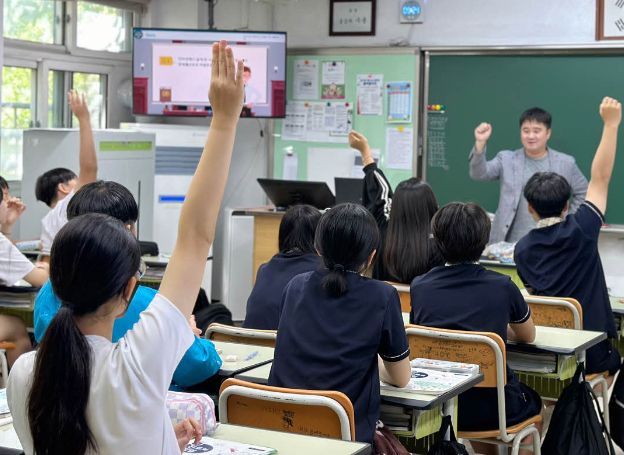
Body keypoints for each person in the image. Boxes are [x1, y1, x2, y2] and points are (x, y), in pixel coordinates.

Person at [7, 40, 244, 454]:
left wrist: (162, 436)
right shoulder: (135, 366)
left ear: (56, 280)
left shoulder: (26, 371)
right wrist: (224, 119)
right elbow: (195, 237)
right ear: (127, 292)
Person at [33, 180, 222, 390]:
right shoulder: (143, 304)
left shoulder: (46, 294)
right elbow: (198, 367)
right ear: (128, 230)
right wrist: (187, 334)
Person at [268, 203, 411, 444]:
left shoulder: (295, 286)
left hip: (282, 428)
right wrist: (373, 360)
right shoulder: (383, 296)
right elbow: (401, 378)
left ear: (318, 247)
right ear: (371, 256)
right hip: (344, 437)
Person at [410, 202, 542, 455]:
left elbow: (420, 335)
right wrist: (495, 333)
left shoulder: (420, 286)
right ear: (485, 241)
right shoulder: (502, 286)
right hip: (493, 409)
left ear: (437, 241)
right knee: (537, 411)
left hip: (437, 408)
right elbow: (527, 335)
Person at [514, 97, 622, 377]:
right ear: (566, 206)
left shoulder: (522, 249)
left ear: (530, 208)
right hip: (593, 353)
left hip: (550, 357)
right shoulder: (584, 228)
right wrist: (611, 125)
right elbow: (601, 177)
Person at [469, 107, 588, 243]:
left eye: (536, 131)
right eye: (526, 131)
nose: (531, 136)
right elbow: (479, 174)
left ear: (548, 133)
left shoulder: (566, 163)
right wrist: (480, 143)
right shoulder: (506, 159)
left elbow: (584, 192)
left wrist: (569, 220)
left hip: (554, 239)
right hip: (508, 243)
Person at [349, 130, 443, 283]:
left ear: (395, 208)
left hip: (384, 305)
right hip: (421, 307)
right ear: (432, 207)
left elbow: (379, 194)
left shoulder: (383, 232)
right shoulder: (438, 247)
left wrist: (365, 151)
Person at [38, 90, 98, 256]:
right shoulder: (69, 204)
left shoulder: (47, 222)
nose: (81, 183)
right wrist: (84, 119)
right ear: (63, 188)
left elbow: (47, 266)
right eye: (75, 181)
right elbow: (89, 167)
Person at [243, 204, 321, 330]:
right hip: (284, 347)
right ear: (320, 237)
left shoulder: (264, 269)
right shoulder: (321, 273)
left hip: (249, 343)